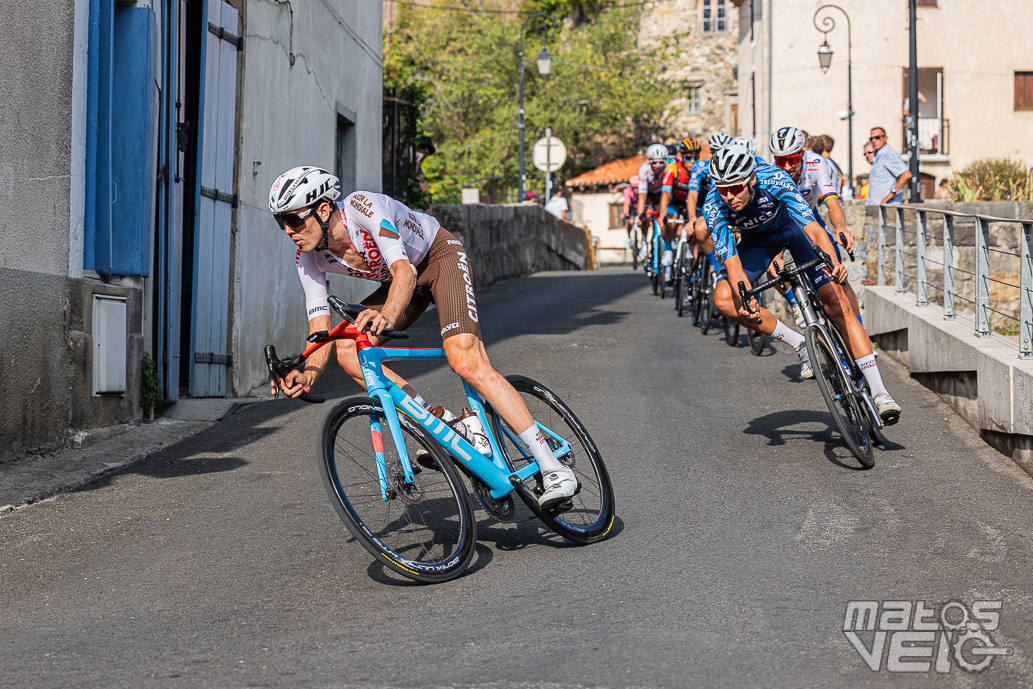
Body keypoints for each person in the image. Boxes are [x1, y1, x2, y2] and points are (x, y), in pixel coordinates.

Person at [267, 166, 580, 507]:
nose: (287, 230)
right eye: (280, 222)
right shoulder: (307, 259)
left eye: (293, 220)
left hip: (438, 259)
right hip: (402, 285)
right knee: (346, 349)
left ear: (323, 210)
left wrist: (386, 315)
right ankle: (444, 423)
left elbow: (404, 269)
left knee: (465, 359)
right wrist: (307, 372)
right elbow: (319, 332)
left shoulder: (362, 208)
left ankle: (552, 467)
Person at [702, 144, 902, 424]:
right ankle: (799, 343)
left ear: (751, 180)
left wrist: (833, 265)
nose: (729, 196)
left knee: (836, 302)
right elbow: (733, 266)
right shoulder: (713, 205)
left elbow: (815, 231)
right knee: (724, 299)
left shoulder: (774, 179)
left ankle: (880, 391)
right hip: (757, 243)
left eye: (735, 188)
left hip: (793, 230)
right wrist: (746, 300)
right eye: (723, 189)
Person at [768, 126, 863, 329]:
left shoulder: (816, 163)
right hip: (783, 220)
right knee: (772, 268)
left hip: (809, 217)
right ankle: (795, 303)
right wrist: (775, 254)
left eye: (791, 160)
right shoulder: (773, 172)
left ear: (802, 155)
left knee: (838, 276)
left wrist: (841, 228)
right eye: (780, 161)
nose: (786, 167)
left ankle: (859, 329)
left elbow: (832, 202)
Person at [657, 137, 701, 279]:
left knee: (695, 232)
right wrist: (662, 214)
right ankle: (668, 251)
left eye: (696, 157)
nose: (693, 161)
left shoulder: (701, 169)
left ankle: (691, 263)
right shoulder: (673, 168)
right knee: (669, 221)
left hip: (693, 204)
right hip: (676, 202)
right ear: (682, 157)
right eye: (688, 157)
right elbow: (665, 193)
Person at [636, 143, 670, 261]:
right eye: (654, 162)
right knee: (646, 215)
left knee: (664, 214)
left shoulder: (668, 167)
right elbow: (642, 196)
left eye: (661, 162)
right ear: (649, 161)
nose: (658, 165)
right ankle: (644, 241)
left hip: (662, 194)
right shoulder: (644, 170)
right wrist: (640, 215)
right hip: (649, 194)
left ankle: (667, 243)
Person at [865, 127, 912, 206]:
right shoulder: (878, 155)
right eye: (871, 138)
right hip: (875, 205)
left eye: (877, 137)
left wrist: (892, 193)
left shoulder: (889, 154)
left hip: (887, 207)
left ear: (885, 138)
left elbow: (906, 174)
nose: (874, 141)